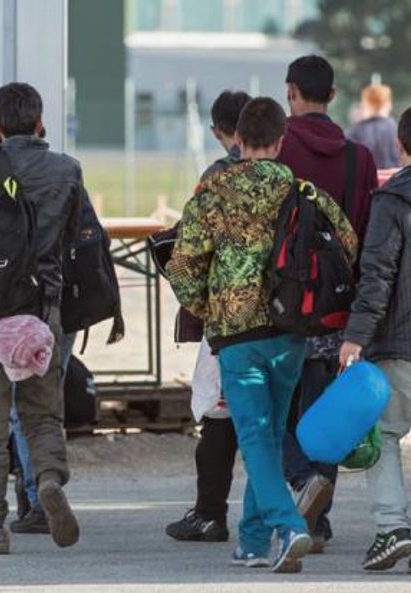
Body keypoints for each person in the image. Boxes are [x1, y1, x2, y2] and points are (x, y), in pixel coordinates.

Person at [168, 96, 358, 572]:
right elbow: (347, 244)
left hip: (235, 333)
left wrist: (206, 306)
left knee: (253, 435)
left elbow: (184, 262)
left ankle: (290, 525)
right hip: (290, 330)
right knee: (270, 433)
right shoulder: (304, 191)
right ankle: (253, 543)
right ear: (280, 141)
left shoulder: (215, 189)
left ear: (237, 138)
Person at [0, 83, 82, 555]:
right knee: (42, 413)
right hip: (42, 308)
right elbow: (74, 234)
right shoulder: (67, 170)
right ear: (41, 122)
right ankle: (47, 478)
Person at [278, 55, 379, 551]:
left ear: (291, 92)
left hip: (282, 304)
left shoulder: (277, 147)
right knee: (325, 412)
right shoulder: (359, 158)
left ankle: (298, 483)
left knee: (276, 407)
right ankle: (319, 520)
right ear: (332, 97)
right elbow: (363, 228)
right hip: (338, 304)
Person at [165, 90, 251, 543]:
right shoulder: (288, 176)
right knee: (270, 423)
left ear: (219, 131)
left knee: (220, 418)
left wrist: (200, 304)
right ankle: (298, 516)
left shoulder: (215, 179)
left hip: (226, 319)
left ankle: (210, 512)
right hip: (284, 319)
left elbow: (186, 258)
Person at [339, 107, 411, 572]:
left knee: (383, 433)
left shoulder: (393, 200)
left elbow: (378, 275)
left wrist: (355, 337)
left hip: (400, 343)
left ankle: (393, 529)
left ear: (401, 145)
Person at [348, 83, 400, 169]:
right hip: (396, 179)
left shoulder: (356, 131)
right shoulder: (397, 129)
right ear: (388, 104)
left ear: (365, 104)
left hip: (366, 180)